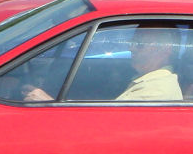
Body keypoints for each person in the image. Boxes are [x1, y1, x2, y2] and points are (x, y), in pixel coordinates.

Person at [24, 27, 183, 102]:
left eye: (139, 43)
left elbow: (104, 129)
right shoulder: (147, 81)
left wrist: (49, 104)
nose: (131, 48)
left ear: (165, 49)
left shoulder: (154, 92)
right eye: (132, 41)